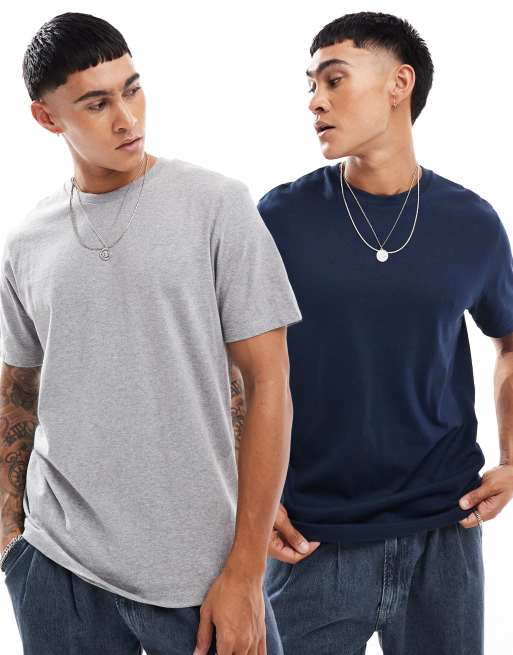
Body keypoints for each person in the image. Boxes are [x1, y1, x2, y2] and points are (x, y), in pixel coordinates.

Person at [0, 11, 303, 655]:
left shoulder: (216, 204)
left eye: (132, 89)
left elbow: (268, 382)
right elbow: (18, 392)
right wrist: (11, 545)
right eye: (97, 103)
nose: (127, 118)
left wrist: (246, 572)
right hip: (58, 568)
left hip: (203, 570)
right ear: (47, 118)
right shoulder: (26, 243)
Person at [231, 11, 513, 654]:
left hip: (445, 536)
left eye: (334, 80)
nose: (315, 101)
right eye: (310, 86)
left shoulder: (472, 223)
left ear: (399, 84)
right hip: (311, 539)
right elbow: (229, 363)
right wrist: (249, 499)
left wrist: (512, 459)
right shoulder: (279, 218)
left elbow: (509, 342)